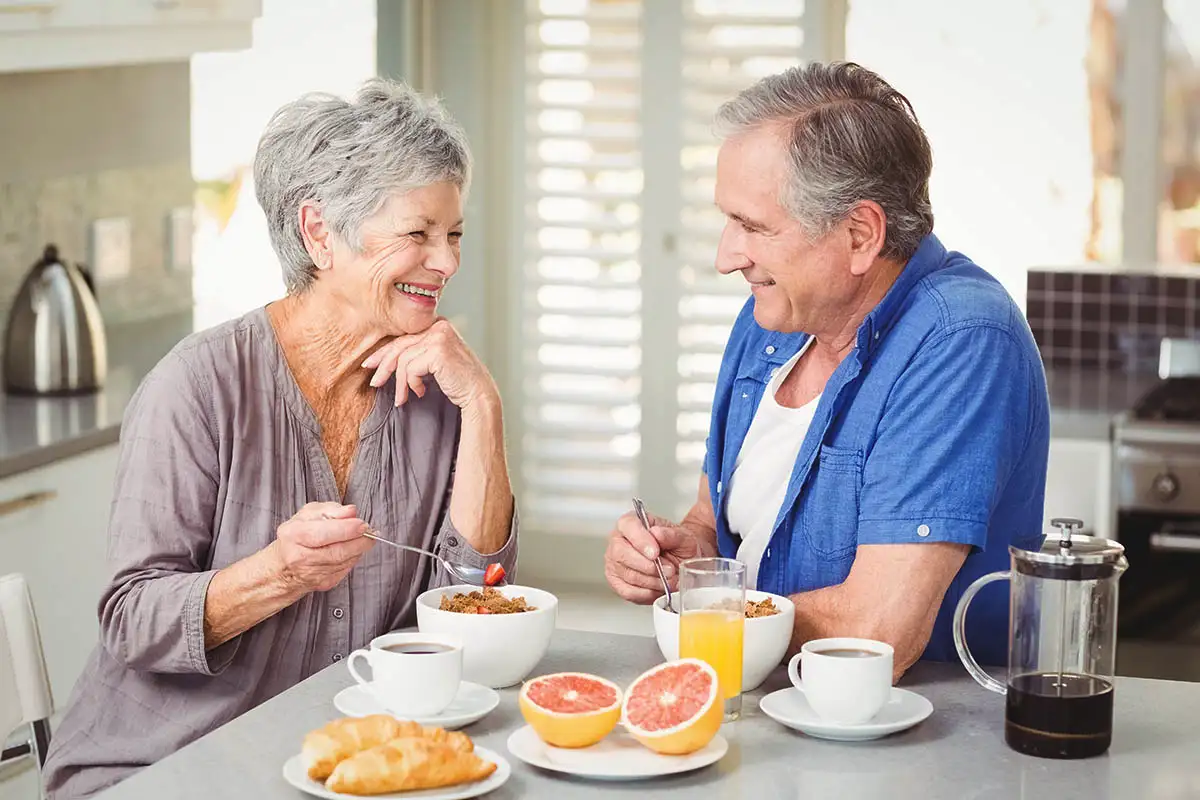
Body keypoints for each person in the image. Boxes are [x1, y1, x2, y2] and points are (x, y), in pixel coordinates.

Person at [43, 79, 517, 798]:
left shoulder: (441, 389)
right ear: (319, 232)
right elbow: (132, 620)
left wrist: (483, 404)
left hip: (325, 766)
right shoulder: (197, 386)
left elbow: (475, 609)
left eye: (453, 236)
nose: (447, 263)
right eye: (417, 234)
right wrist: (281, 573)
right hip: (162, 766)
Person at [604, 62, 1049, 678]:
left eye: (752, 226)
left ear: (860, 234)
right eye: (727, 220)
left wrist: (702, 616)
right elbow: (713, 521)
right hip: (764, 705)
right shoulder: (769, 322)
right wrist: (688, 555)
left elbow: (875, 634)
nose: (725, 256)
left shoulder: (964, 340)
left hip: (910, 738)